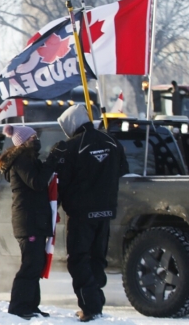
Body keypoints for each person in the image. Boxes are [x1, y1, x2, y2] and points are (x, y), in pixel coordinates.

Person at [50, 105, 128, 322]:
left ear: (71, 124)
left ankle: (90, 306)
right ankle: (95, 303)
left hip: (81, 214)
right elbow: (123, 169)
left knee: (78, 259)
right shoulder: (112, 142)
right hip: (105, 212)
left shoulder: (71, 147)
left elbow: (60, 182)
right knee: (96, 258)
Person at [0, 125, 53, 320]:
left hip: (35, 219)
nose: (36, 140)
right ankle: (18, 306)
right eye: (32, 137)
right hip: (28, 221)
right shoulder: (21, 160)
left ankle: (31, 305)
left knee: (36, 263)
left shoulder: (29, 159)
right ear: (23, 141)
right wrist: (50, 164)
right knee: (30, 263)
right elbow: (36, 182)